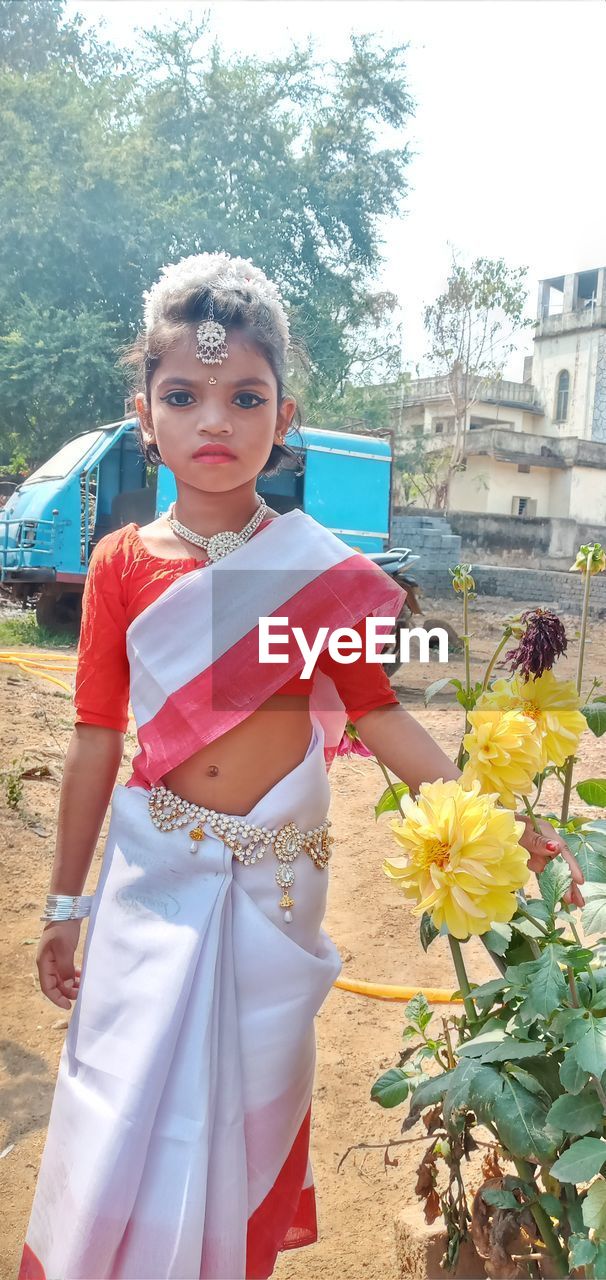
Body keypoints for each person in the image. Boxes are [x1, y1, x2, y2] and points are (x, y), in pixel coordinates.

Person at [18, 253, 583, 1280]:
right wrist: (67, 901)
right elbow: (99, 735)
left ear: (286, 416)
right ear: (145, 414)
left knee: (247, 1105)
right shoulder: (122, 565)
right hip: (152, 882)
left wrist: (493, 819)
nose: (214, 419)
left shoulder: (315, 571)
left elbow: (377, 713)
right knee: (121, 1098)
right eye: (184, 395)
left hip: (276, 889)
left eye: (245, 395)